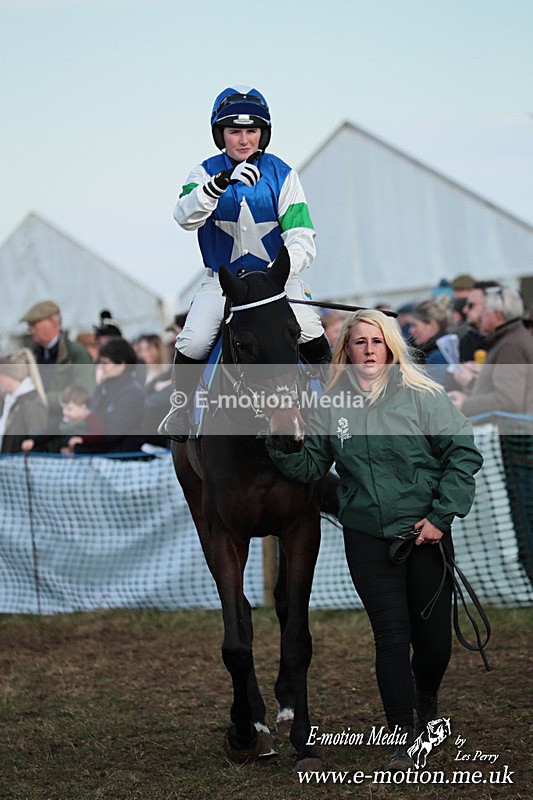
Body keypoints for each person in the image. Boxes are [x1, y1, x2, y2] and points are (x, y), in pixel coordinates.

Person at [266, 309, 483, 771]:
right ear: (346, 350)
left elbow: (463, 453)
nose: (368, 350)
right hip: (368, 538)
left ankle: (427, 698)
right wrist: (281, 443)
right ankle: (402, 732)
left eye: (376, 342)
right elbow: (311, 469)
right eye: (359, 342)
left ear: (390, 348)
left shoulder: (423, 395)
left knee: (433, 647)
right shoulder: (330, 404)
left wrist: (441, 517)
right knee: (390, 637)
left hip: (424, 534)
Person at [160, 85, 329, 440]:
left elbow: (301, 234)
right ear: (220, 134)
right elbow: (183, 217)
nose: (243, 139)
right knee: (193, 340)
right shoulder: (203, 172)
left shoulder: (282, 173)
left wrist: (280, 273)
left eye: (251, 130)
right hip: (223, 282)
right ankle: (180, 406)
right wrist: (217, 186)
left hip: (275, 282)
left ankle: (334, 398)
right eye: (234, 131)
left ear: (262, 133)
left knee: (310, 329)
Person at [448, 286, 533, 417]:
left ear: (497, 314)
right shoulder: (512, 338)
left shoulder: (510, 346)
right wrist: (472, 384)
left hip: (516, 432)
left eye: (484, 309)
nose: (481, 314)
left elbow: (508, 399)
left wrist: (465, 404)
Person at [19, 299, 95, 419]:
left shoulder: (76, 353)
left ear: (53, 322)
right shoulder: (35, 355)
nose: (29, 329)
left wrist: (42, 399)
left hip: (64, 427)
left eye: (34, 324)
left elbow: (84, 394)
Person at [74, 338, 147, 455]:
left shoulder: (132, 393)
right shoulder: (102, 388)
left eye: (105, 363)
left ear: (121, 365)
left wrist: (80, 447)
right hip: (101, 453)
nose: (100, 367)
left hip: (121, 459)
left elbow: (112, 433)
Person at [21, 384, 105, 454]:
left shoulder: (92, 419)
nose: (65, 412)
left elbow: (99, 434)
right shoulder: (63, 421)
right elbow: (49, 431)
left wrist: (82, 440)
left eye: (69, 409)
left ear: (83, 407)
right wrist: (33, 441)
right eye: (63, 408)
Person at [0, 350, 48, 454]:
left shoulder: (32, 403)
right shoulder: (9, 401)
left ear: (7, 376)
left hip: (21, 466)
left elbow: (38, 444)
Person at [408, 299, 455, 385]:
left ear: (431, 326)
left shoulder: (438, 356)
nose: (411, 330)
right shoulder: (446, 348)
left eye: (415, 325)